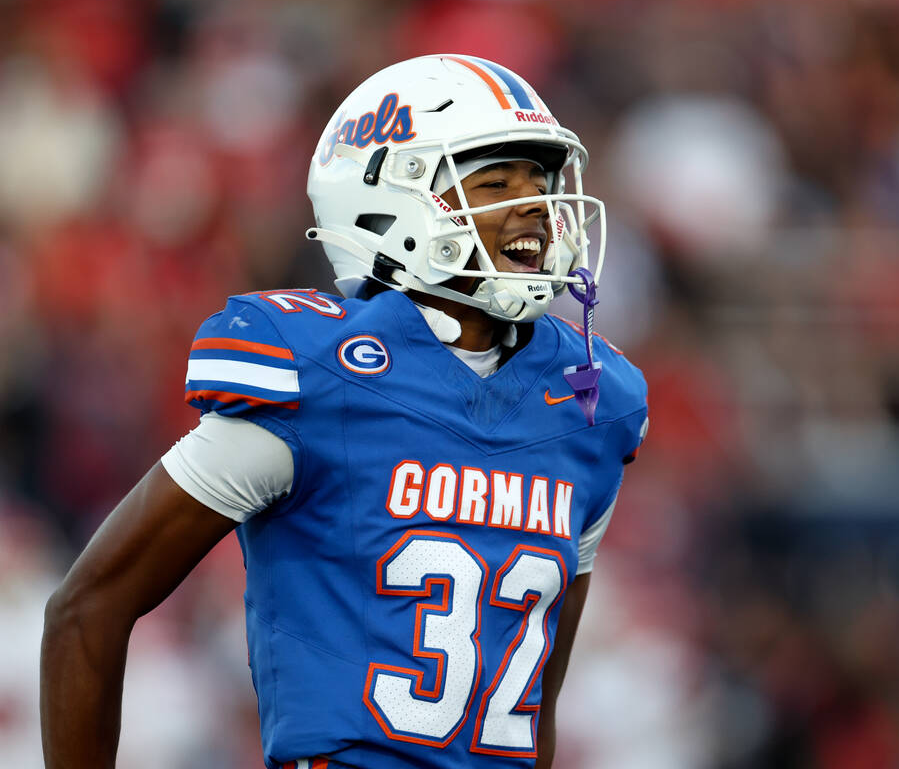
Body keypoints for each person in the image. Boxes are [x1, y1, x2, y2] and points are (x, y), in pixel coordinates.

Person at [41, 54, 648, 769]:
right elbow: (88, 607)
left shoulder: (592, 404)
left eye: (540, 182)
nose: (533, 206)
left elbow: (534, 702)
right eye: (495, 180)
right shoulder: (318, 373)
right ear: (390, 202)